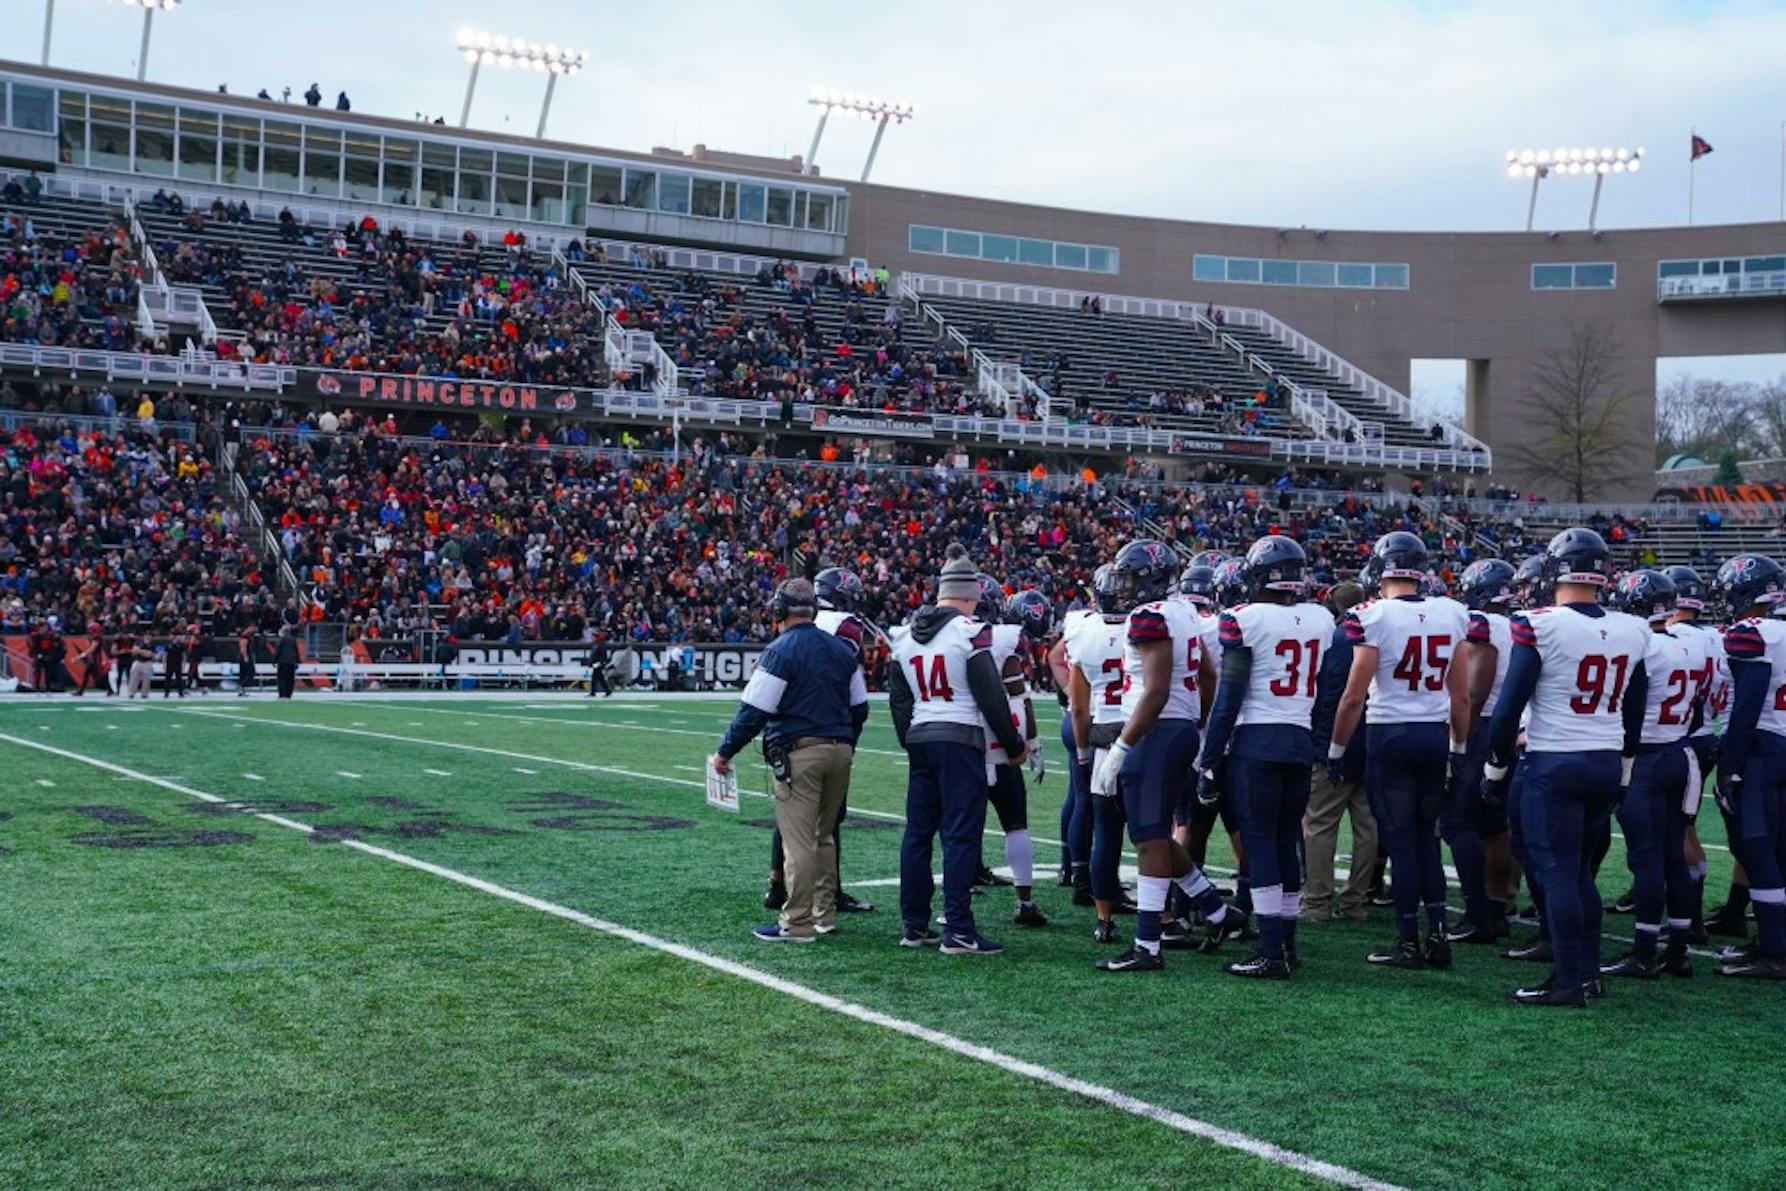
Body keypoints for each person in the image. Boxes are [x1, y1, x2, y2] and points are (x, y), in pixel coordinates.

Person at [1485, 528, 1650, 1006]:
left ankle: (1569, 980)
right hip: (1603, 761)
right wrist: (1623, 770)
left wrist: (1496, 768)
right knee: (1578, 873)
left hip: (1554, 761)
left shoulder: (1539, 624)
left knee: (1557, 872)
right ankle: (1588, 973)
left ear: (1556, 570)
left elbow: (1506, 711)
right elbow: (1634, 712)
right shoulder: (1632, 628)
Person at [1330, 531, 1471, 971]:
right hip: (1433, 735)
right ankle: (1440, 934)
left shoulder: (1371, 615)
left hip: (1390, 735)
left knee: (1400, 841)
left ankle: (1408, 941)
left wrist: (1336, 750)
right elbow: (1461, 696)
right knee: (1426, 839)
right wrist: (1459, 747)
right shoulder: (1452, 612)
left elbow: (1354, 696)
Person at [1194, 536, 1335, 979]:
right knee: (1286, 843)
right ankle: (1287, 945)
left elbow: (1229, 696)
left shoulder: (1244, 618)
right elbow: (1328, 692)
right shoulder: (1320, 618)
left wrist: (1210, 759)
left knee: (1261, 845)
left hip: (1257, 741)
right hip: (1298, 739)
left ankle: (1272, 950)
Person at [1092, 540, 1233, 973]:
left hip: (1155, 731)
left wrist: (1120, 747)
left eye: (1132, 576)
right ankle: (1219, 913)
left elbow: (1154, 692)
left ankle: (1148, 945)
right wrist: (1196, 724)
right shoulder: (1185, 614)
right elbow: (1208, 676)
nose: (1126, 585)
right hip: (1177, 730)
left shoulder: (1150, 616)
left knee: (1149, 841)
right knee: (1155, 835)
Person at [887, 545, 1028, 955]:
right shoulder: (969, 632)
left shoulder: (905, 636)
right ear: (970, 596)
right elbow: (990, 695)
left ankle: (914, 925)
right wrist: (1014, 744)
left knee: (917, 833)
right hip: (960, 737)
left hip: (921, 736)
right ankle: (959, 930)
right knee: (960, 835)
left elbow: (899, 701)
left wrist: (909, 739)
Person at [712, 579, 869, 944]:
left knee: (798, 841)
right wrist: (843, 742)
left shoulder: (781, 650)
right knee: (824, 835)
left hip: (801, 752)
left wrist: (725, 752)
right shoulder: (842, 650)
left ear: (780, 611)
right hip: (839, 750)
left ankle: (797, 923)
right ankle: (824, 914)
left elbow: (754, 711)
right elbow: (859, 708)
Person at [1601, 569, 1703, 979]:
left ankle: (1643, 952)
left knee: (1646, 861)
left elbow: (1626, 703)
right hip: (1680, 751)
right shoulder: (1690, 646)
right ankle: (1678, 950)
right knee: (1672, 856)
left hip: (1645, 758)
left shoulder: (1640, 646)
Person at [764, 567, 875, 915]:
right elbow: (846, 686)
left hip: (787, 724)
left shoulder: (796, 625)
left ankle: (776, 885)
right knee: (826, 819)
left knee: (791, 814)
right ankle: (827, 896)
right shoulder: (844, 627)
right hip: (826, 727)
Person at [1710, 554, 1786, 979]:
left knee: (1755, 847)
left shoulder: (1752, 633)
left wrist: (1729, 765)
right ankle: (1772, 942)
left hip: (1762, 748)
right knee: (1776, 850)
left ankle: (1776, 950)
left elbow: (1748, 704)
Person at [1444, 559, 1519, 944]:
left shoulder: (1483, 624)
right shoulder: (1517, 622)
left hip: (1482, 727)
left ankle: (1477, 912)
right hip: (1506, 728)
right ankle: (1496, 906)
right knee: (1494, 826)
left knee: (1458, 822)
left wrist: (1458, 742)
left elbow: (1474, 693)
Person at [1667, 565, 1740, 938]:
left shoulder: (1673, 636)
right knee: (1686, 826)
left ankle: (1687, 917)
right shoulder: (1719, 636)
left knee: (1676, 829)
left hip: (1681, 735)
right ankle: (1689, 913)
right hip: (1708, 732)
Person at [1065, 564, 1136, 942]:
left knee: (1106, 834)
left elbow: (1078, 708)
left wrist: (1080, 749)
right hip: (1140, 732)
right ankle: (1169, 914)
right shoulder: (1147, 624)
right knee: (1150, 830)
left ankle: (1103, 919)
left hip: (1103, 737)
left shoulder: (1082, 630)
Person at [1307, 580, 1376, 920]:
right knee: (1367, 827)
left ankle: (1317, 902)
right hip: (1374, 739)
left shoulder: (1336, 639)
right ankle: (1355, 902)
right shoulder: (1378, 630)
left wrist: (1327, 746)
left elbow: (1332, 696)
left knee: (1320, 825)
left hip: (1336, 738)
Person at [274, 627, 300, 698]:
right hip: (291, 662)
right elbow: (296, 651)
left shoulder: (281, 640)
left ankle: (282, 694)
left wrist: (274, 660)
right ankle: (288, 693)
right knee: (290, 679)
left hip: (283, 662)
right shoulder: (293, 639)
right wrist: (297, 661)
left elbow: (278, 650)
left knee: (282, 679)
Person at [237, 622, 258, 696]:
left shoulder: (248, 636)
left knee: (244, 673)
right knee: (250, 672)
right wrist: (245, 656)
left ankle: (242, 689)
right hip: (245, 656)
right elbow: (243, 646)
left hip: (244, 656)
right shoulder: (245, 636)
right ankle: (242, 686)